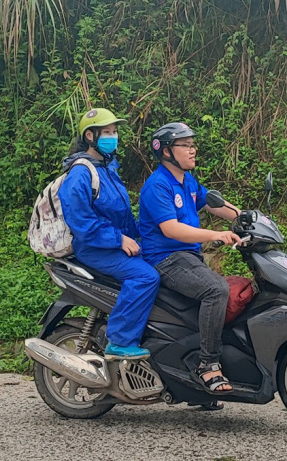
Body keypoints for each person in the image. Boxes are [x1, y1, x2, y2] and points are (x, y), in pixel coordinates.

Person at [139, 122, 242, 393]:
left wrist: (246, 217)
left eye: (193, 144)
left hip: (188, 257)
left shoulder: (187, 180)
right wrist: (214, 235)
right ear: (166, 152)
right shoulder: (157, 186)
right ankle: (208, 365)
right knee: (215, 290)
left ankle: (193, 387)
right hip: (166, 258)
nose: (192, 150)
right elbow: (170, 229)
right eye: (185, 145)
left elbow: (212, 202)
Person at [58, 108, 160, 360]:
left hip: (115, 243)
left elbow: (121, 215)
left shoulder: (107, 167)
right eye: (106, 132)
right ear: (90, 137)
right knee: (145, 277)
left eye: (115, 132)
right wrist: (119, 239)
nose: (113, 137)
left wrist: (147, 234)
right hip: (94, 248)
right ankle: (120, 340)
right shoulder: (81, 172)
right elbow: (80, 221)